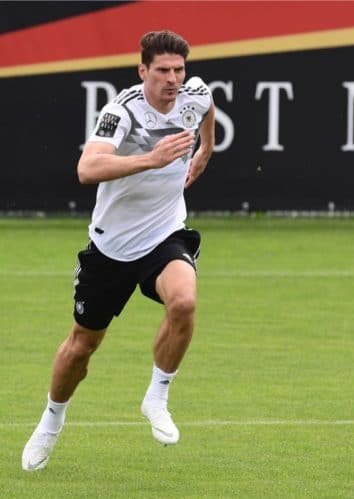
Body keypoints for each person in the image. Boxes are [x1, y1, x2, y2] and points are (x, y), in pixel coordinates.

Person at [22, 30, 216, 471]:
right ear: (142, 70)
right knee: (81, 346)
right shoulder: (121, 111)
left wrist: (206, 149)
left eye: (178, 70)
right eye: (162, 70)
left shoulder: (194, 93)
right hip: (111, 246)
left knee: (184, 302)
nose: (172, 79)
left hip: (165, 234)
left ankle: (157, 396)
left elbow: (206, 109)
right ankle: (51, 421)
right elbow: (87, 168)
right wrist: (152, 158)